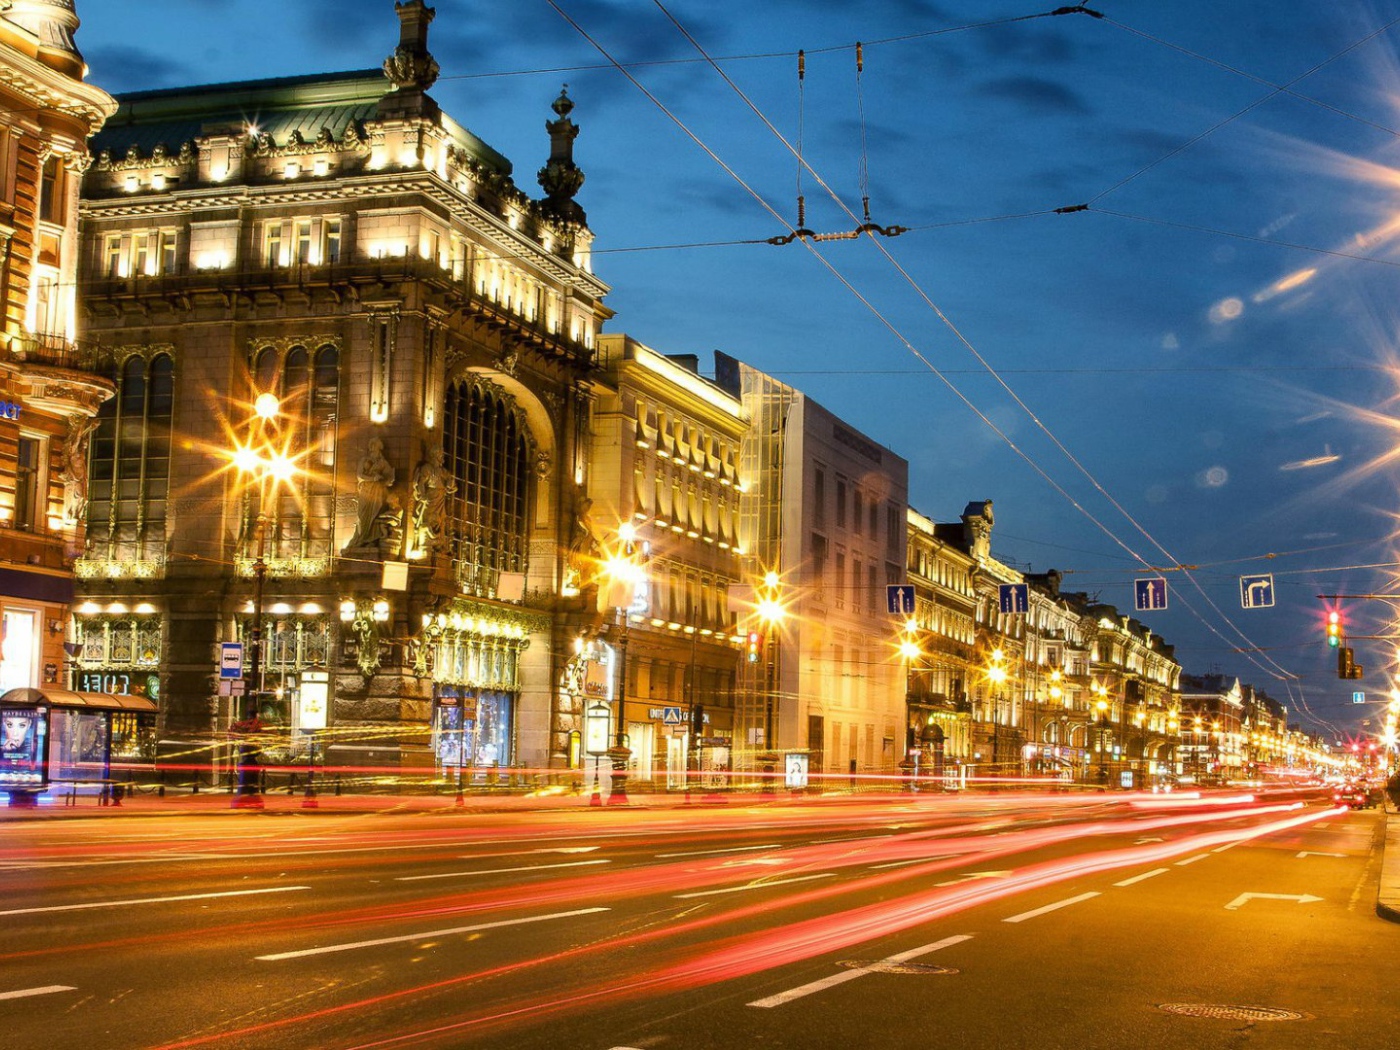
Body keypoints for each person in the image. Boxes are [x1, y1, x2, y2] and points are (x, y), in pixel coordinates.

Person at [344, 437, 396, 549]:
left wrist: (389, 480)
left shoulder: (382, 462)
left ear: (379, 447)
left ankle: (371, 539)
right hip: (366, 490)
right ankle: (361, 538)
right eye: (372, 445)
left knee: (376, 513)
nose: (373, 447)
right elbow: (359, 475)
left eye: (375, 445)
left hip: (377, 491)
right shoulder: (364, 460)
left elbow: (388, 475)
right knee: (362, 515)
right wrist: (373, 478)